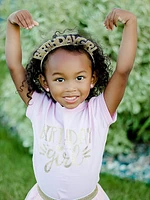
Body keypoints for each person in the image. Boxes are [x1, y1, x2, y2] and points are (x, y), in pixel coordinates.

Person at [5, 7, 137, 200]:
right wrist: (11, 24)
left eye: (79, 77)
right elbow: (14, 66)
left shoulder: (98, 111)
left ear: (93, 79)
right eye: (59, 79)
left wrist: (131, 22)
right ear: (45, 82)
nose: (70, 88)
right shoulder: (39, 107)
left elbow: (123, 71)